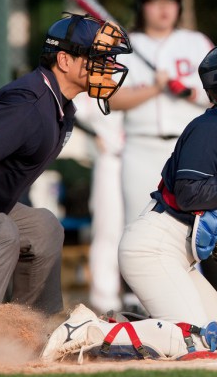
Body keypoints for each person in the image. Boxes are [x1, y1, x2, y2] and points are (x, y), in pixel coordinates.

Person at [40, 36, 217, 361]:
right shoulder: (211, 128)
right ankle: (89, 332)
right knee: (196, 343)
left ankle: (119, 326)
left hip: (178, 255)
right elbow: (189, 194)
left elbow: (211, 195)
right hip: (151, 248)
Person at [0, 13, 132, 315]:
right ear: (65, 61)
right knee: (2, 231)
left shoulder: (62, 107)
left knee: (44, 227)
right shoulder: (28, 103)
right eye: (96, 58)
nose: (106, 67)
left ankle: (33, 332)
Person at [109, 0, 214, 312]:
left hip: (188, 150)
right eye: (155, 0)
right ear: (142, 6)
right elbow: (112, 98)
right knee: (136, 223)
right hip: (140, 147)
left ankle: (199, 298)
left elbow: (216, 93)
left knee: (194, 225)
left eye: (170, 0)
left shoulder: (195, 42)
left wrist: (186, 90)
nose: (164, 7)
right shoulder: (128, 45)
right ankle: (135, 303)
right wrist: (154, 89)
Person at [73, 93, 125, 313]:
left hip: (150, 158)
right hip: (113, 160)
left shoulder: (148, 73)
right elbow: (70, 107)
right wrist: (94, 133)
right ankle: (105, 301)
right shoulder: (102, 75)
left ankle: (140, 297)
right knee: (108, 231)